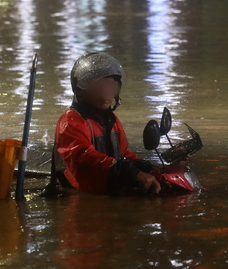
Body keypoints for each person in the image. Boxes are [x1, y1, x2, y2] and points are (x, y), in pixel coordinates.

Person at [54, 52, 161, 195]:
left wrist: (145, 166)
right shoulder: (70, 121)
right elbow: (84, 158)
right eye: (99, 86)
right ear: (80, 90)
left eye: (111, 85)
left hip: (108, 187)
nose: (106, 92)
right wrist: (129, 171)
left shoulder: (111, 119)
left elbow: (121, 154)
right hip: (80, 195)